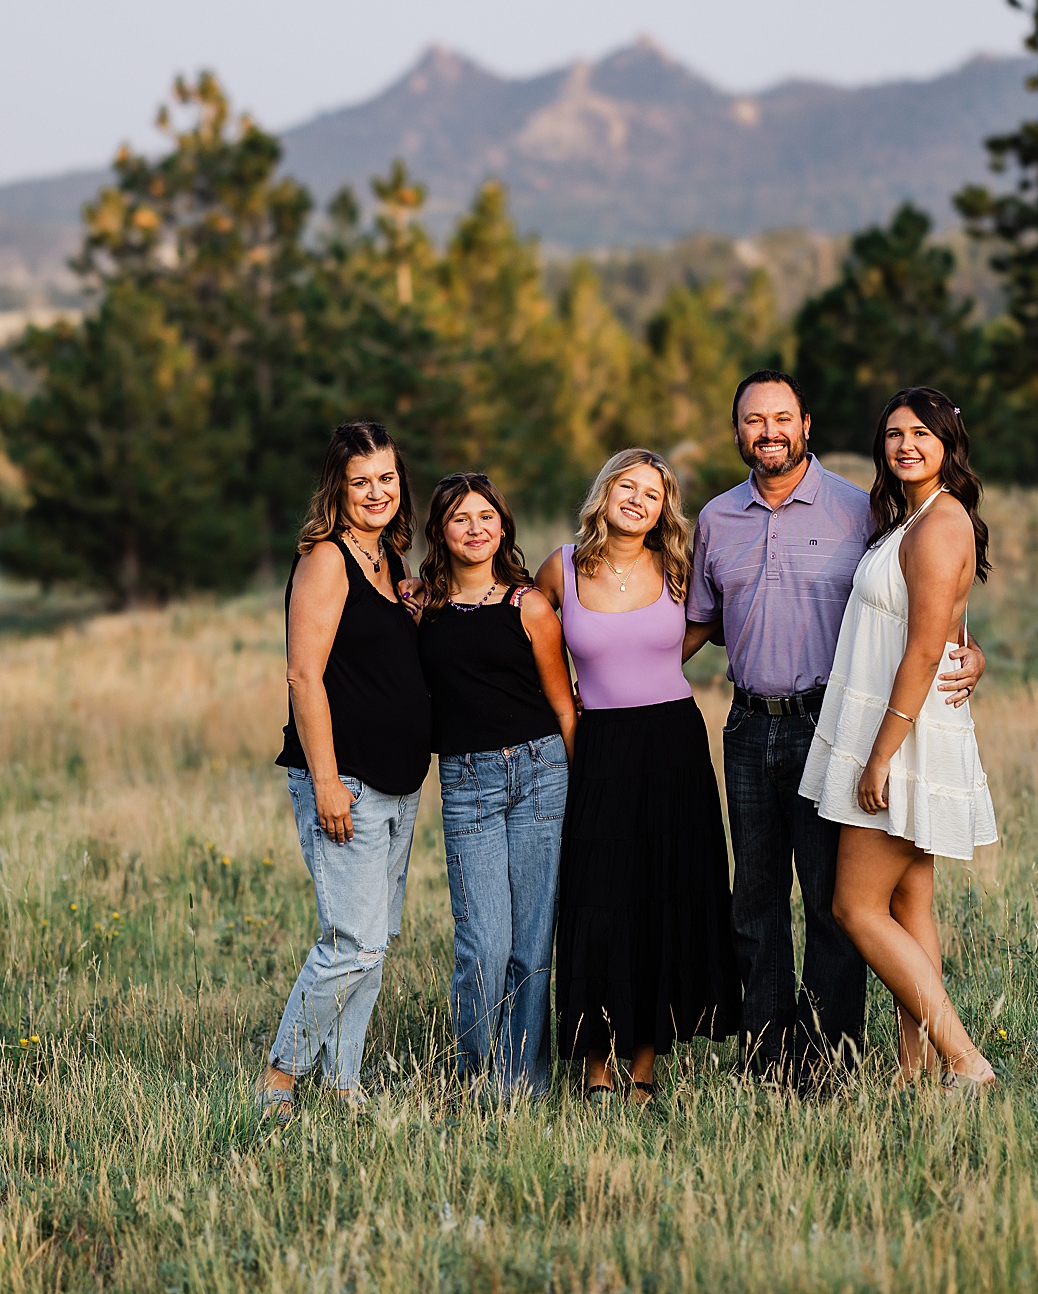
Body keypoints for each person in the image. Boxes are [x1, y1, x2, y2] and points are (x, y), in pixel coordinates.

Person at [684, 370, 984, 1086]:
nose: (769, 432)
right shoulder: (716, 520)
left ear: (807, 423)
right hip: (750, 726)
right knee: (754, 904)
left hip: (837, 725)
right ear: (737, 432)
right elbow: (695, 622)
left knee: (836, 905)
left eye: (782, 417)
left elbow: (929, 607)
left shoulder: (861, 511)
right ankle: (765, 1061)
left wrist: (970, 654)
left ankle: (829, 1063)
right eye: (754, 420)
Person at [799, 387, 1000, 1092]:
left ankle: (966, 1060)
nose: (905, 445)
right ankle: (912, 1070)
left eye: (921, 433)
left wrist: (881, 754)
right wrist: (972, 652)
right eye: (893, 434)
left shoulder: (942, 523)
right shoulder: (908, 519)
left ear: (949, 441)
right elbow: (948, 627)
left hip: (901, 733)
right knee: (910, 904)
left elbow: (922, 649)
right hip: (895, 721)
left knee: (854, 907)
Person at [537, 448, 741, 1105]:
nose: (637, 500)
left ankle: (644, 1069)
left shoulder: (678, 568)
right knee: (597, 900)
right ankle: (596, 1063)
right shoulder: (560, 570)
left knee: (665, 898)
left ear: (663, 511)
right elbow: (512, 624)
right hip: (596, 744)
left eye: (651, 494)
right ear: (605, 492)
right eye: (627, 486)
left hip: (673, 744)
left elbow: (708, 622)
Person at [258, 422, 433, 1122]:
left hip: (399, 781)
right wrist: (327, 781)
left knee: (375, 944)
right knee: (351, 942)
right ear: (338, 487)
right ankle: (280, 1076)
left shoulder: (388, 560)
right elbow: (305, 674)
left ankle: (344, 1083)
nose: (377, 492)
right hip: (347, 781)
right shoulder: (327, 560)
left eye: (387, 479)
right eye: (361, 481)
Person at [411, 472, 578, 1101]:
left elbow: (564, 708)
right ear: (440, 532)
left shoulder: (528, 605)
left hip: (539, 774)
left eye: (486, 517)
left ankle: (523, 1084)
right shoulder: (422, 609)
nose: (475, 529)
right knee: (483, 943)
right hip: (468, 782)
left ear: (502, 526)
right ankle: (475, 1078)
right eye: (459, 518)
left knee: (532, 942)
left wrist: (578, 786)